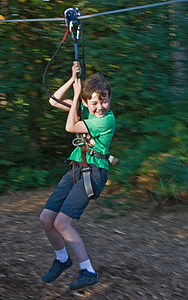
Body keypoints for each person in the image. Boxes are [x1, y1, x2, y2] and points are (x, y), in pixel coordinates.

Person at [39, 61, 115, 290]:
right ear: (86, 102)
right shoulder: (85, 109)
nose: (99, 107)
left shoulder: (105, 119)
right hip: (76, 168)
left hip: (94, 172)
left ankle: (88, 271)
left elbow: (70, 126)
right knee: (46, 218)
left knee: (62, 222)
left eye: (104, 100)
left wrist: (78, 99)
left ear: (109, 99)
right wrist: (73, 81)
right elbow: (53, 100)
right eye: (93, 102)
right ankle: (62, 259)